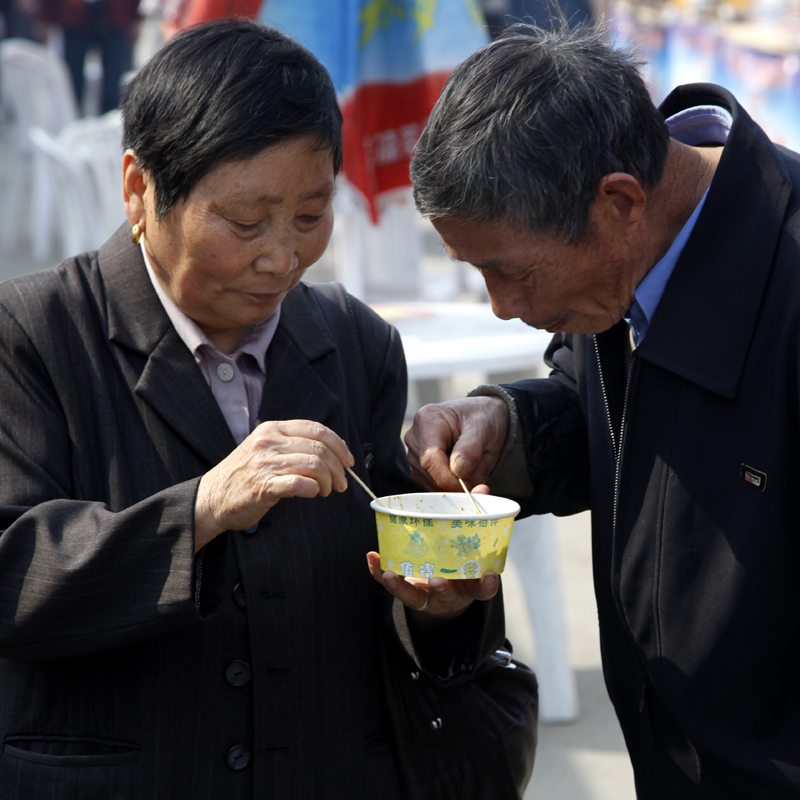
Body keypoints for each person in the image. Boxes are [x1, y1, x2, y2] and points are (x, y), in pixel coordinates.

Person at [0, 19, 504, 798]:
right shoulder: (31, 337)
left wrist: (436, 605)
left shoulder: (356, 345)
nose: (282, 257)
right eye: (245, 223)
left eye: (310, 217)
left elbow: (379, 617)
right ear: (139, 190)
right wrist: (201, 508)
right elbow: (15, 573)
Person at [405, 20, 800, 799]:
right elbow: (622, 414)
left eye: (510, 272)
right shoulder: (629, 258)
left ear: (620, 201)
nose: (502, 307)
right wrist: (507, 427)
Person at [36, 0, 140, 113]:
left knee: (114, 81)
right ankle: (72, 121)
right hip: (76, 15)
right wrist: (44, 17)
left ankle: (112, 120)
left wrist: (136, 17)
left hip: (114, 14)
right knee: (72, 79)